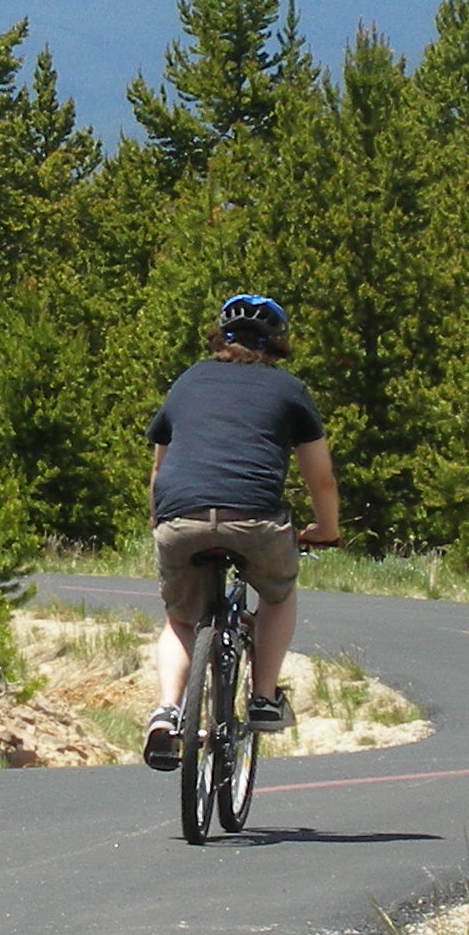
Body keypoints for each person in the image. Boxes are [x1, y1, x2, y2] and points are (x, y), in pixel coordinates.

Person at [143, 293, 342, 771]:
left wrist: (162, 522)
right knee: (277, 594)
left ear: (220, 338)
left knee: (180, 619)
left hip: (180, 516)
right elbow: (321, 479)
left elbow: (158, 471)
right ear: (277, 345)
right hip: (256, 518)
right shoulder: (290, 390)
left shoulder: (188, 381)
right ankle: (264, 698)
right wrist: (327, 529)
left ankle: (167, 713)